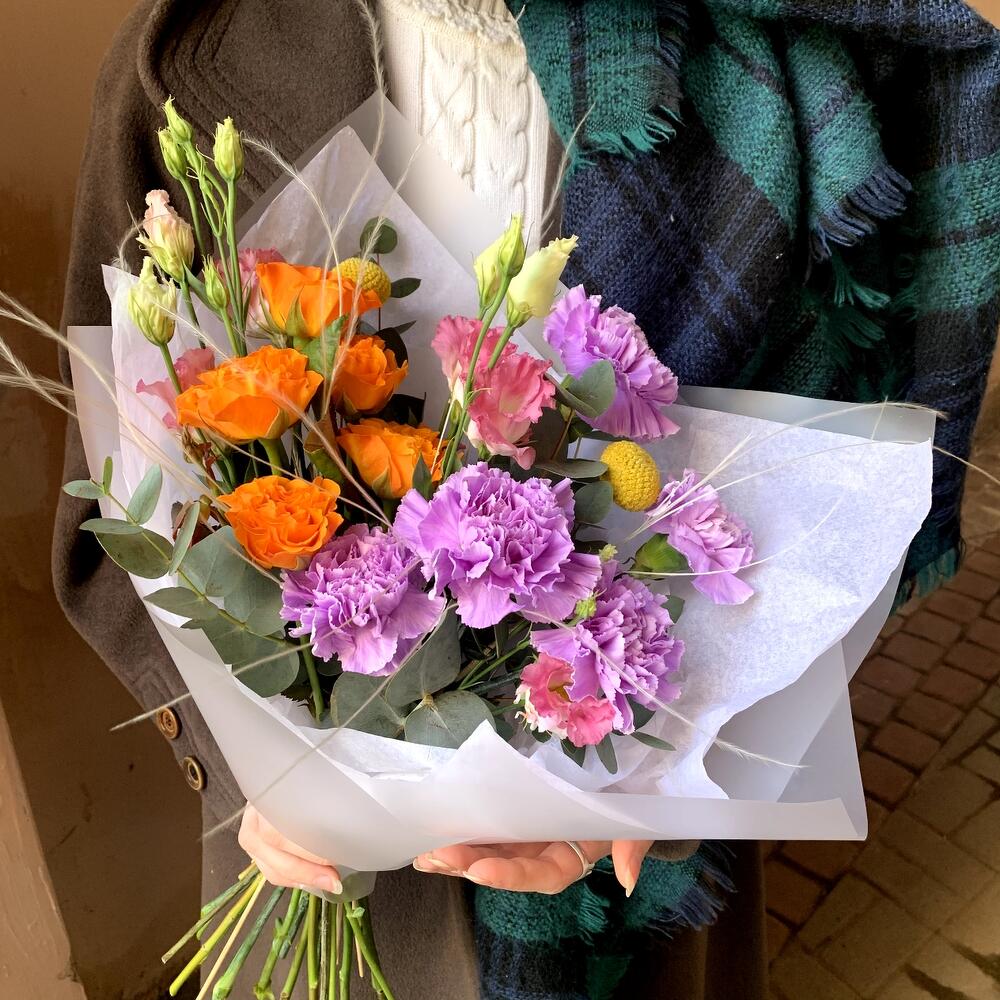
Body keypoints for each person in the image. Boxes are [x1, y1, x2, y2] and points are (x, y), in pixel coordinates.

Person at [54, 0, 1000, 997]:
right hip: (317, 881)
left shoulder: (766, 75)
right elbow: (117, 504)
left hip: (621, 866)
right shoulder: (180, 61)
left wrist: (649, 788)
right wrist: (261, 767)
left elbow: (801, 489)